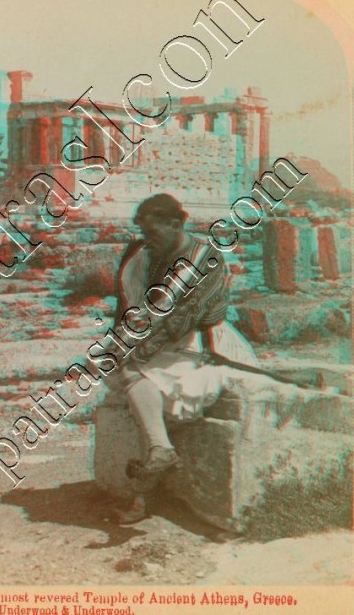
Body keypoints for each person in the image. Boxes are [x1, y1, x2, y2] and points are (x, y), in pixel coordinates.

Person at [108, 193, 257, 523]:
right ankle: (159, 455)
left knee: (140, 378)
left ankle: (146, 488)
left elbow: (198, 315)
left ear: (176, 224)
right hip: (153, 344)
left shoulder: (206, 257)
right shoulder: (139, 252)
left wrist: (141, 346)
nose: (148, 241)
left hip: (200, 346)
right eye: (144, 233)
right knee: (128, 375)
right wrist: (118, 341)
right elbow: (123, 307)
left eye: (154, 233)